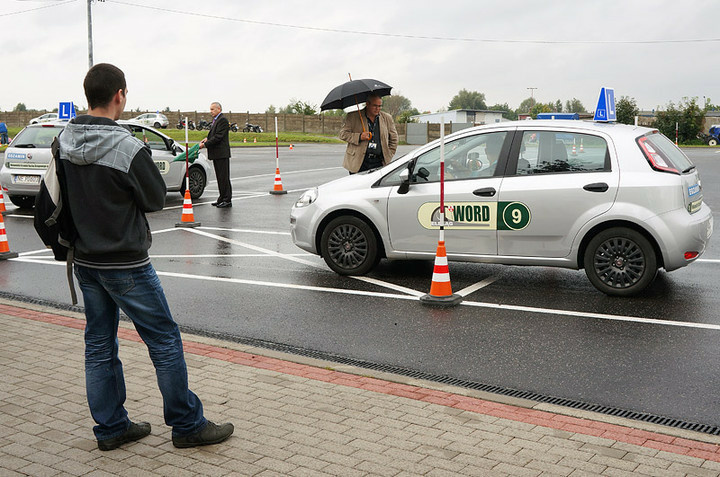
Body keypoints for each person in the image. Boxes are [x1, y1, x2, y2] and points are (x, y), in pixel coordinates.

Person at [56, 63, 234, 451]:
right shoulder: (127, 146)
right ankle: (187, 425)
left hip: (85, 261)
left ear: (89, 96)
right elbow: (155, 198)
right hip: (126, 263)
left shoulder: (63, 141)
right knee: (164, 340)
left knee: (99, 344)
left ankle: (111, 428)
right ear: (119, 94)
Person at [339, 93, 398, 174]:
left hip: (379, 162)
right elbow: (343, 134)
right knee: (358, 186)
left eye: (380, 106)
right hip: (358, 162)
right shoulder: (353, 116)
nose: (378, 109)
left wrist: (389, 154)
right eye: (375, 106)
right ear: (367, 104)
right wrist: (359, 136)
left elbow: (394, 139)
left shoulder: (387, 118)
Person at [199, 102, 232, 207]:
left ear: (219, 109)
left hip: (221, 153)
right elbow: (214, 134)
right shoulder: (216, 120)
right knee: (219, 177)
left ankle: (227, 199)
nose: (211, 111)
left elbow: (219, 136)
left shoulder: (222, 120)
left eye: (213, 109)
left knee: (224, 177)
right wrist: (207, 138)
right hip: (217, 154)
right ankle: (221, 198)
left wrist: (205, 145)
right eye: (210, 109)